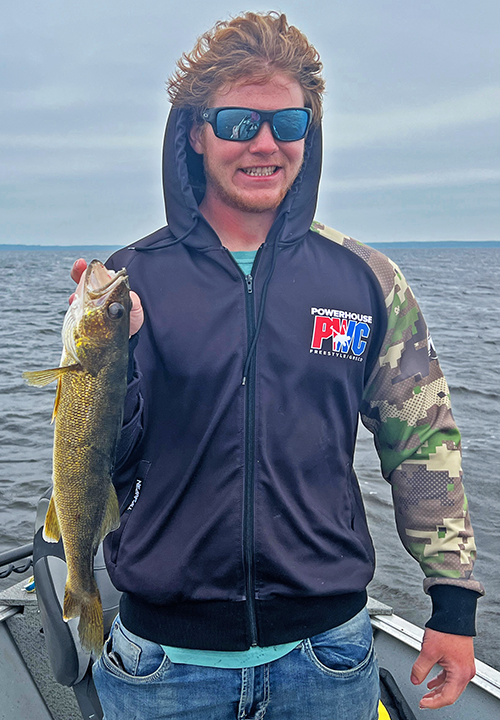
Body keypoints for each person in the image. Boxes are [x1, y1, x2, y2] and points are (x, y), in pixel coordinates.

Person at [71, 12, 483, 719]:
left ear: (308, 134)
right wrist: (124, 359)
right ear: (195, 133)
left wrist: (452, 603)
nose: (263, 144)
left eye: (286, 124)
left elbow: (422, 442)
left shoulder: (364, 279)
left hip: (328, 656)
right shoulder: (126, 281)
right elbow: (98, 460)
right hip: (163, 665)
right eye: (237, 122)